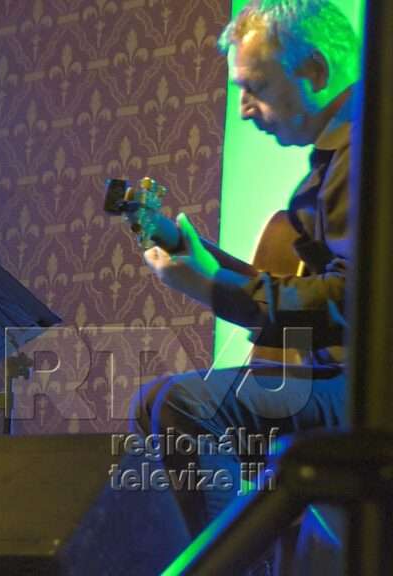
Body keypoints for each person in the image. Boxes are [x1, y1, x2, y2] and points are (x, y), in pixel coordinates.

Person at [131, 0, 358, 540]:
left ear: (316, 72)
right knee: (159, 401)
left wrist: (212, 286)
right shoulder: (340, 154)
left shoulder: (365, 152)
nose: (243, 109)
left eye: (254, 87)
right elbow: (306, 291)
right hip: (340, 379)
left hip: (366, 389)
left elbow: (351, 299)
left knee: (184, 404)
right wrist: (201, 262)